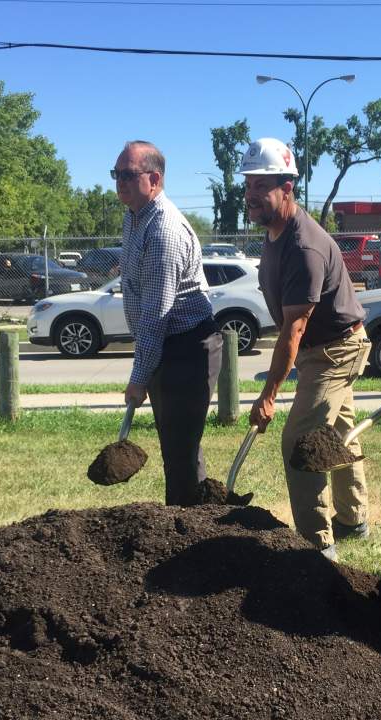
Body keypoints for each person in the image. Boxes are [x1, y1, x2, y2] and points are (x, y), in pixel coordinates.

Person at [241, 137, 371, 560]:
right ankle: (355, 519)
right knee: (338, 432)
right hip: (323, 346)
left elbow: (294, 328)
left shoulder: (304, 245)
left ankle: (317, 546)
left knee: (301, 441)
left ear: (287, 187)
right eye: (248, 185)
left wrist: (269, 394)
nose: (252, 195)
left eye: (262, 185)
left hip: (335, 350)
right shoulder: (274, 232)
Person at [114, 140, 222, 506]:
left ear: (154, 179)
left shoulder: (164, 231)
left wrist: (138, 377)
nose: (120, 182)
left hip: (188, 348)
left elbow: (156, 313)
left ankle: (186, 534)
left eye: (128, 174)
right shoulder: (134, 219)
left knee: (180, 448)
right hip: (169, 347)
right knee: (179, 446)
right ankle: (191, 524)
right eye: (117, 174)